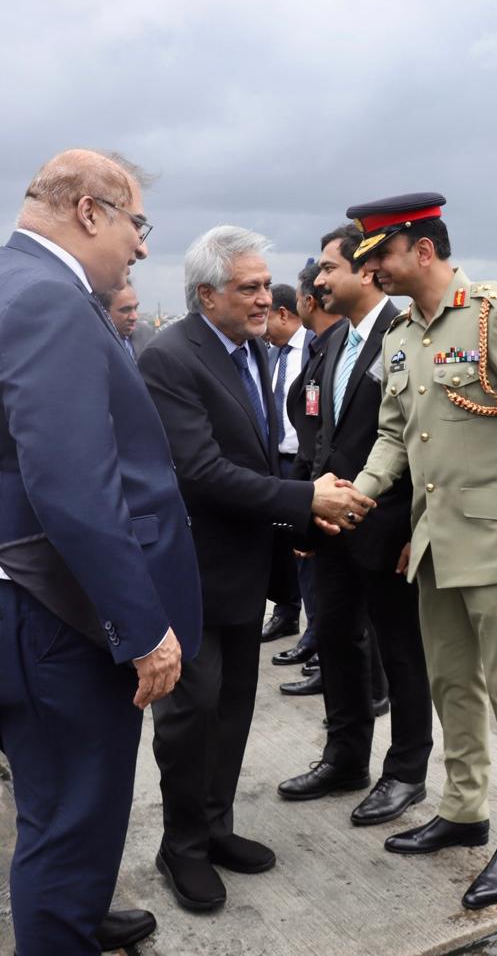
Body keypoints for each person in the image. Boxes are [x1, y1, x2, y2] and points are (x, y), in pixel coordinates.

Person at [0, 149, 201, 955]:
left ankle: (77, 908)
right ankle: (64, 923)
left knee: (61, 809)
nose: (142, 245)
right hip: (59, 616)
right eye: (136, 223)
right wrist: (141, 627)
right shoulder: (49, 299)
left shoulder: (15, 283)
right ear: (90, 211)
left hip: (29, 599)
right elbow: (74, 485)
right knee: (68, 817)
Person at [138, 225, 374, 912]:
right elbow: (202, 470)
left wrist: (300, 518)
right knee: (190, 717)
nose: (266, 298)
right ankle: (181, 847)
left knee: (233, 708)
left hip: (243, 570)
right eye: (249, 287)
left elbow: (259, 456)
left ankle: (216, 829)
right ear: (206, 293)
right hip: (192, 573)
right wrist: (305, 500)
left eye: (266, 285)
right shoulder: (171, 358)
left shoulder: (251, 350)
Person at [350, 192, 497, 909]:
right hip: (435, 544)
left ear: (422, 249)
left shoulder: (494, 314)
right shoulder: (401, 335)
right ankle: (465, 808)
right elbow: (394, 434)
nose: (373, 270)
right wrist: (359, 493)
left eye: (382, 255)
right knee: (451, 685)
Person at [277, 224, 433, 827]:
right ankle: (345, 759)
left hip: (389, 529)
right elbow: (314, 430)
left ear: (366, 271)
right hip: (331, 528)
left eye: (328, 268)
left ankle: (406, 773)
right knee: (338, 642)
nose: (318, 280)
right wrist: (307, 514)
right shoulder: (333, 340)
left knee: (401, 653)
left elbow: (423, 441)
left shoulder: (407, 334)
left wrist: (419, 528)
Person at [272, 262, 344, 669]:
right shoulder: (272, 353)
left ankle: (319, 640)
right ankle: (300, 624)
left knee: (317, 564)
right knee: (297, 558)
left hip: (318, 474)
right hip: (285, 467)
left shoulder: (324, 347)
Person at [260, 283, 309, 645]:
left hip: (304, 463)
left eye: (266, 319)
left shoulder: (314, 348)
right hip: (275, 462)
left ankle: (316, 632)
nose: (262, 330)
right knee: (279, 545)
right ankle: (286, 612)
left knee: (306, 548)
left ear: (282, 314)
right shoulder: (270, 355)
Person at [99, 279, 147, 359]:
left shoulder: (146, 334)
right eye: (125, 310)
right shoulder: (94, 346)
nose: (134, 317)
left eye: (136, 308)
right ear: (104, 311)